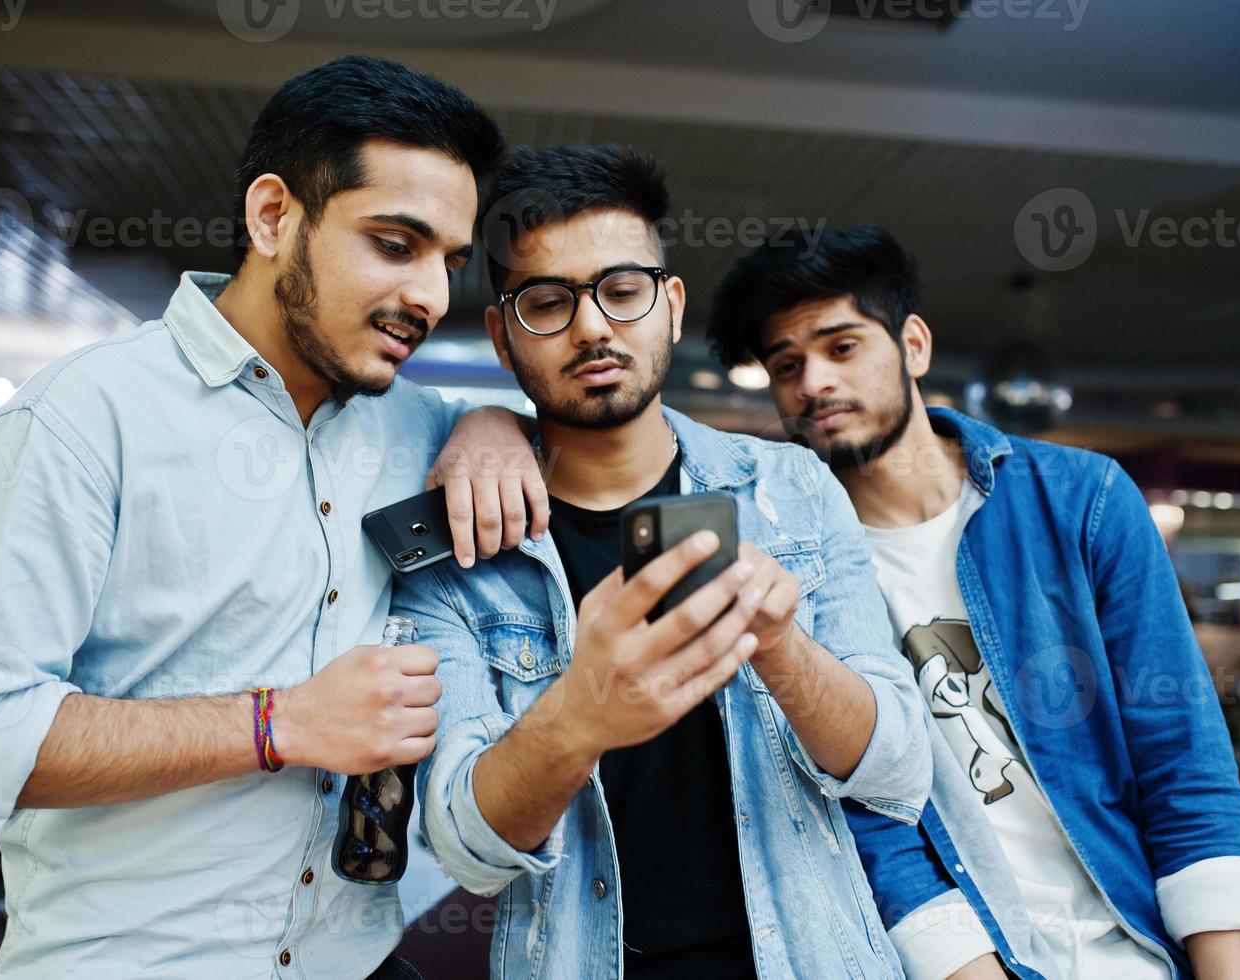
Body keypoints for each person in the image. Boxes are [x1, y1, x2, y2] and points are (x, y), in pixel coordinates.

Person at [0, 56, 548, 979]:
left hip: (360, 961)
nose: (434, 298)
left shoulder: (419, 424)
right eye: (395, 245)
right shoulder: (77, 422)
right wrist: (277, 724)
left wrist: (496, 425)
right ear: (274, 216)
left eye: (449, 262)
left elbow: (579, 445)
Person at [390, 144, 934, 979]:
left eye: (621, 290)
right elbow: (465, 847)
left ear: (670, 306)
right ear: (501, 335)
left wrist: (780, 648)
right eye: (546, 302)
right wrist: (582, 714)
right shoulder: (457, 547)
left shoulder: (787, 487)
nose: (593, 327)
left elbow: (897, 771)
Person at [708, 224, 1240, 978]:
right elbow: (864, 812)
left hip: (1133, 937)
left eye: (840, 347)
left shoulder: (1080, 499)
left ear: (912, 345)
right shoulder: (787, 568)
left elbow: (1180, 754)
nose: (812, 383)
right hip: (951, 959)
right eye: (786, 365)